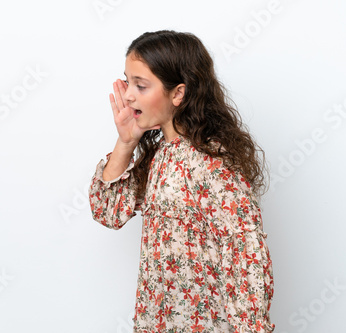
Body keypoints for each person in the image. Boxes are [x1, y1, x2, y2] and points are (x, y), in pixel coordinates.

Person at [88, 30, 275, 333]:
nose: (129, 95)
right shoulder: (159, 156)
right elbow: (107, 211)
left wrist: (251, 326)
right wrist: (126, 142)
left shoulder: (210, 160)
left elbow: (244, 249)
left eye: (141, 85)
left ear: (178, 94)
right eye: (128, 82)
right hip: (159, 321)